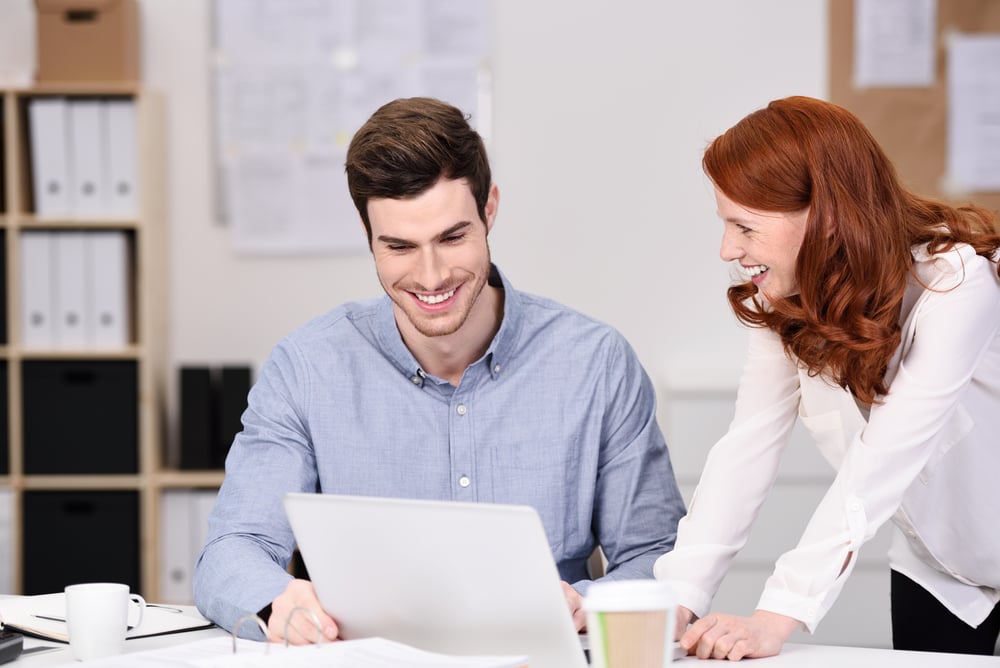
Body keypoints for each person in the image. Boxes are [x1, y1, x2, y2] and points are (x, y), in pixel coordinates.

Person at [193, 96, 686, 644]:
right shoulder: (307, 368)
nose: (431, 277)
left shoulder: (596, 363)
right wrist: (279, 602)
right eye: (400, 246)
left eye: (452, 238)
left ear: (489, 209)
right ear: (367, 232)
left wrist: (585, 603)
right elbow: (231, 551)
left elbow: (659, 556)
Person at [654, 95, 1000, 660]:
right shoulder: (782, 298)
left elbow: (884, 459)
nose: (727, 249)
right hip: (942, 568)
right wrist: (674, 598)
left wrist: (776, 615)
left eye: (744, 226)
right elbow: (745, 451)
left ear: (826, 215)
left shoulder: (957, 283)